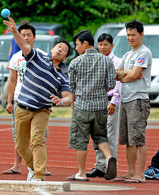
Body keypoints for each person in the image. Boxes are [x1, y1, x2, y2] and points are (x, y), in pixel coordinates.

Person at [3, 17, 73, 181]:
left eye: (63, 50)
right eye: (58, 47)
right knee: (20, 145)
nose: (60, 49)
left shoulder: (62, 77)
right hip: (22, 108)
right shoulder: (36, 57)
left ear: (64, 58)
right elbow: (23, 45)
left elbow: (69, 97)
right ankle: (35, 168)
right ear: (52, 49)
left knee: (37, 141)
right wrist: (14, 31)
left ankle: (39, 176)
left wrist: (61, 101)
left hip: (42, 111)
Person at [67, 30, 117, 182]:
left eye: (77, 45)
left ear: (85, 43)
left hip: (82, 107)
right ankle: (109, 158)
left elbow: (72, 87)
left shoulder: (75, 62)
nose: (76, 48)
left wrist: (74, 104)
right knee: (101, 136)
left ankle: (81, 173)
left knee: (80, 141)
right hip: (101, 107)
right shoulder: (107, 61)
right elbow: (111, 85)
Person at [3, 23, 50, 176]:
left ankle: (39, 165)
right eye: (22, 35)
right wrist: (9, 101)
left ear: (34, 37)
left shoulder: (42, 55)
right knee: (19, 136)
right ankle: (18, 165)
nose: (25, 38)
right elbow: (12, 81)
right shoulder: (16, 58)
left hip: (37, 102)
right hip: (20, 101)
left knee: (39, 136)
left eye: (28, 35)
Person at [113, 20, 152, 183]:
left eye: (133, 35)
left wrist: (127, 75)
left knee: (138, 138)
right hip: (126, 99)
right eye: (128, 35)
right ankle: (130, 172)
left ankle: (140, 174)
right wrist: (128, 74)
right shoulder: (127, 55)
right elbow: (117, 74)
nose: (130, 38)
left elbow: (134, 75)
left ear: (141, 35)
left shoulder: (144, 53)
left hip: (138, 100)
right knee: (128, 140)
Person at [86, 33, 122, 178]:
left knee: (110, 134)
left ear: (112, 46)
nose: (102, 47)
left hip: (110, 101)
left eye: (105, 44)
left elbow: (119, 84)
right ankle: (100, 166)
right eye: (100, 44)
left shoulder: (117, 62)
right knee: (98, 134)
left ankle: (111, 166)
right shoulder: (96, 60)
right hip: (97, 102)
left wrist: (114, 101)